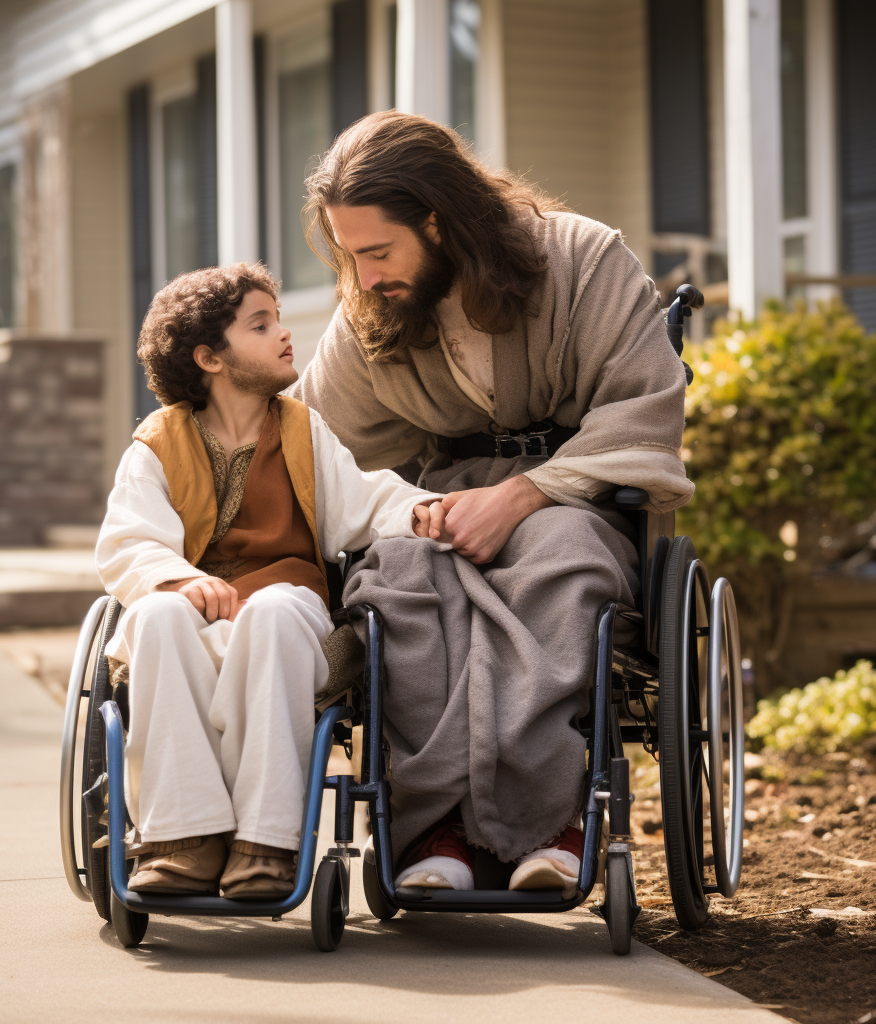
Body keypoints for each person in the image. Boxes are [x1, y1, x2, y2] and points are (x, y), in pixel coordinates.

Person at [290, 110, 693, 896]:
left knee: (558, 564)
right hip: (441, 501)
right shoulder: (373, 304)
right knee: (397, 578)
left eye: (378, 251)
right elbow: (310, 440)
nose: (365, 277)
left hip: (579, 496)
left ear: (438, 222)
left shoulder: (582, 257)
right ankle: (437, 832)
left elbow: (644, 404)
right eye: (350, 257)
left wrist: (524, 495)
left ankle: (555, 826)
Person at [95, 263, 442, 898]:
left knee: (276, 609)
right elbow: (129, 541)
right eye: (261, 325)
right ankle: (182, 836)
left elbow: (361, 500)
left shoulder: (303, 431)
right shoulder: (157, 444)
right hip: (195, 612)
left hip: (290, 613)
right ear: (210, 357)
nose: (284, 335)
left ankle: (265, 839)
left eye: (279, 320)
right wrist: (175, 581)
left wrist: (417, 511)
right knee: (155, 616)